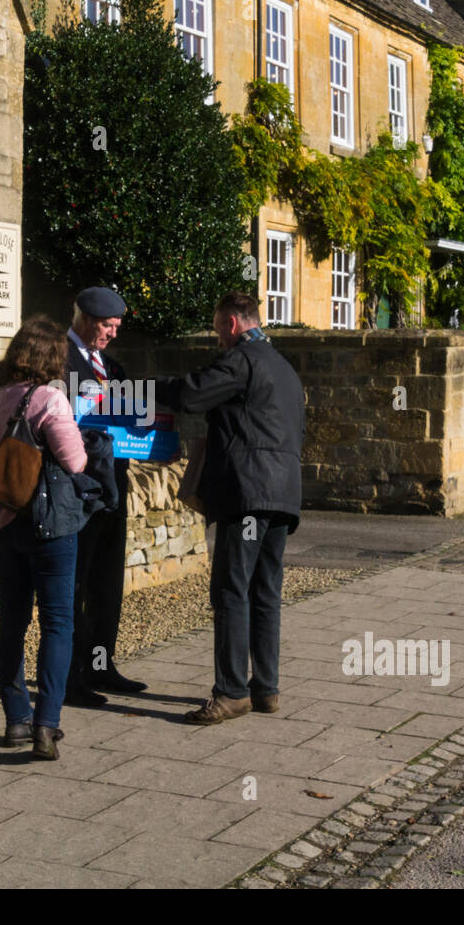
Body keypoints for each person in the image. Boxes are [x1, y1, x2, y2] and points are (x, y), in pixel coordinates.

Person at [154, 292, 304, 724]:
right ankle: (267, 689)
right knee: (265, 591)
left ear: (233, 324)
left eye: (219, 328)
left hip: (249, 497)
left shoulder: (244, 360)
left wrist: (138, 388)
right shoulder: (285, 368)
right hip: (283, 495)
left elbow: (191, 394)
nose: (218, 337)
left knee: (231, 589)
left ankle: (232, 692)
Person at [0, 315, 90, 759]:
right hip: (48, 526)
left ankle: (15, 719)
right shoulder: (49, 400)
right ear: (51, 358)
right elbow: (75, 461)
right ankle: (46, 725)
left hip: (2, 523)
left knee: (12, 620)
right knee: (58, 622)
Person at [64, 286, 147, 706]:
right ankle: (73, 676)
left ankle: (100, 664)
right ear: (84, 318)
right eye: (106, 326)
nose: (112, 334)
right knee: (78, 583)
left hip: (114, 485)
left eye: (117, 327)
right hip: (80, 490)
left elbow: (135, 416)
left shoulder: (112, 366)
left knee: (107, 582)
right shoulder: (61, 359)